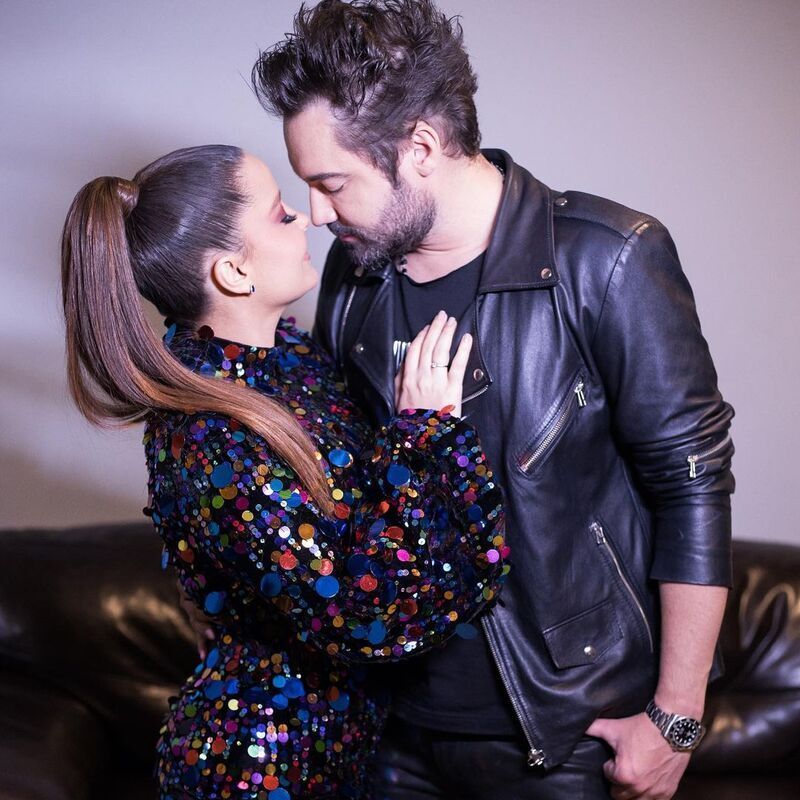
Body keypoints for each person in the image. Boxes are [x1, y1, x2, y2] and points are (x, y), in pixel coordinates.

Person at [251, 1, 735, 798]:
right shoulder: (355, 272)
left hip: (564, 732)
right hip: (388, 723)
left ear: (420, 148)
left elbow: (692, 489)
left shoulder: (608, 261)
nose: (318, 214)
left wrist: (676, 719)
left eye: (332, 184)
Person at [61, 144, 508, 799]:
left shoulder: (292, 357)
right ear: (233, 271)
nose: (306, 217)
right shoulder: (212, 436)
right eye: (279, 214)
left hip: (350, 752)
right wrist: (423, 431)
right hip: (262, 768)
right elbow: (364, 615)